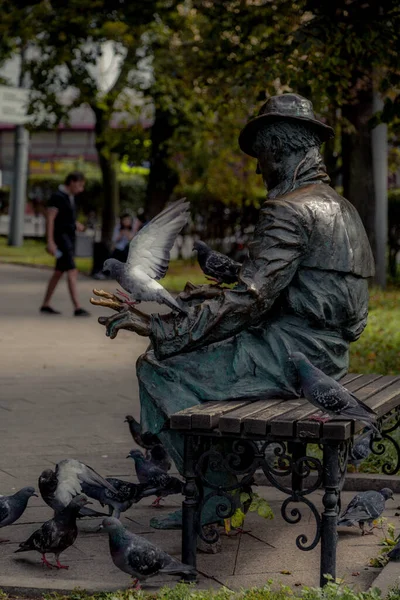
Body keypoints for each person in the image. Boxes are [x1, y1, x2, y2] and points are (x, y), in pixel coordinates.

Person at [96, 93, 375, 527]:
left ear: (278, 149)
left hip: (292, 354)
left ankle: (215, 492)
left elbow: (249, 300)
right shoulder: (341, 207)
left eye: (261, 157)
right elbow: (297, 295)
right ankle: (226, 472)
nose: (259, 168)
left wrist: (160, 328)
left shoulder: (290, 210)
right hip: (328, 353)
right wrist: (193, 302)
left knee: (157, 367)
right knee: (191, 355)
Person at [40, 171, 90, 316]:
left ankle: (45, 304)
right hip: (62, 240)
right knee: (72, 271)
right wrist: (50, 241)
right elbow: (51, 219)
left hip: (68, 238)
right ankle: (77, 307)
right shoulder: (57, 197)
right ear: (72, 182)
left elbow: (64, 218)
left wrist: (75, 224)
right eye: (80, 185)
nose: (81, 189)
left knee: (58, 273)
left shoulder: (69, 198)